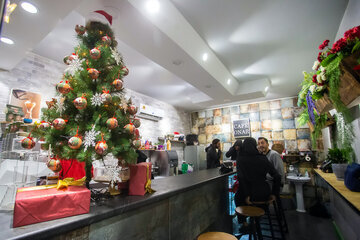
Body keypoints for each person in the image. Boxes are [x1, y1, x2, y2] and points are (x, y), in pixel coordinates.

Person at [235, 137, 281, 232]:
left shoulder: (240, 159)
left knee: (238, 198)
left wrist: (247, 194)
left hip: (249, 193)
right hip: (264, 192)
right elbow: (277, 176)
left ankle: (245, 224)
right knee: (260, 201)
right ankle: (256, 222)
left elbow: (241, 179)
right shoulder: (263, 158)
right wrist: (274, 193)